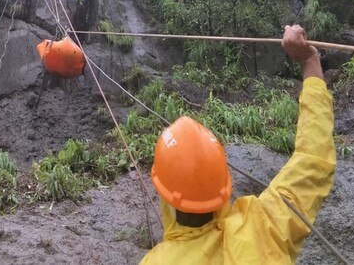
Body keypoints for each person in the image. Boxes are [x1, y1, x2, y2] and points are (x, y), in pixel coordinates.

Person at [141, 24, 335, 264]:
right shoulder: (263, 225)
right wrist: (310, 60)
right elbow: (312, 160)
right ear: (224, 187)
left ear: (164, 195)